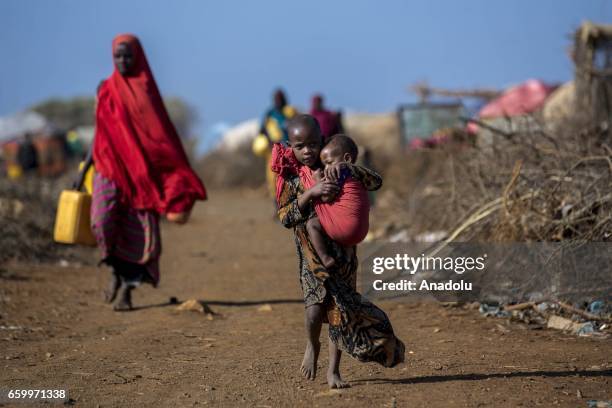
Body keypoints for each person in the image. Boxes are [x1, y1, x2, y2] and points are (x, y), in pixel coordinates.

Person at [272, 115, 404, 389]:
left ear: (322, 140)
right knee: (313, 313)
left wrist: (348, 168)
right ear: (291, 146)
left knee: (338, 314)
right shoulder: (291, 176)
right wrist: (310, 193)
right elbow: (285, 217)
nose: (308, 151)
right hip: (311, 256)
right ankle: (311, 344)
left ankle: (333, 371)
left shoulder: (333, 162)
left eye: (312, 143)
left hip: (343, 255)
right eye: (300, 146)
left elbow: (375, 182)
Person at [90, 34, 207, 311]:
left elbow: (160, 135)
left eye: (128, 55)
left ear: (138, 56)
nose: (123, 61)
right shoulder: (105, 88)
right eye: (118, 56)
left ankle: (127, 290)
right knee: (102, 221)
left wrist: (174, 170)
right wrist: (85, 167)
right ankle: (114, 273)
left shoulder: (146, 90)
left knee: (140, 235)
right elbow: (101, 131)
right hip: (108, 167)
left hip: (142, 175)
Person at [275, 134, 370, 270]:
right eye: (300, 146)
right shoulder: (356, 174)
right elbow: (286, 218)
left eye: (329, 163)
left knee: (312, 224)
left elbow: (326, 197)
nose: (326, 169)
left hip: (344, 230)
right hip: (360, 232)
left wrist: (317, 182)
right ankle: (348, 251)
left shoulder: (338, 172)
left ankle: (324, 257)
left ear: (347, 159)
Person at [258, 89, 297, 200]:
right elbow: (262, 129)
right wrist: (270, 140)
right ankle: (276, 204)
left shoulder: (290, 111)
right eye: (276, 98)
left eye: (280, 98)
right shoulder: (270, 113)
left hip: (289, 149)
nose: (278, 101)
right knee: (273, 176)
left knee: (291, 175)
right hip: (274, 149)